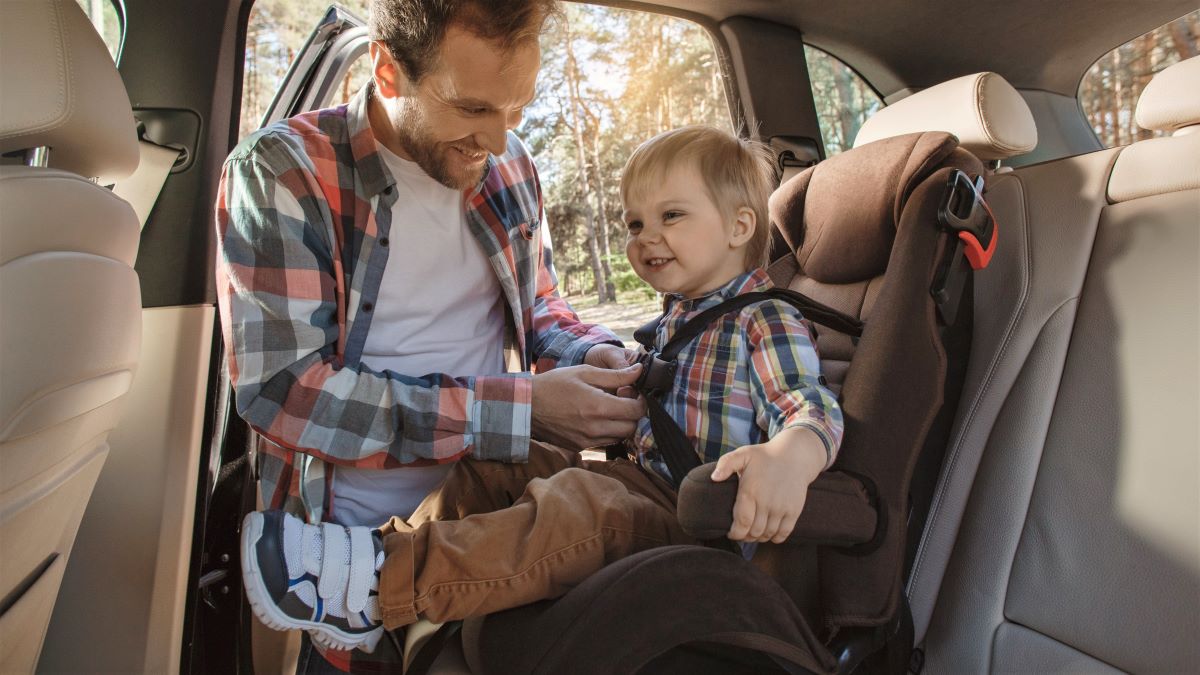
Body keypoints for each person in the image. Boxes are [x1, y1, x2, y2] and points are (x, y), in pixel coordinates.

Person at [240, 125, 844, 658]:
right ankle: (384, 556)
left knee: (578, 504)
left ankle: (382, 584)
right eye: (635, 222)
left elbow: (809, 404)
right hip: (642, 485)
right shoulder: (679, 319)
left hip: (697, 522)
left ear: (740, 225)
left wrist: (790, 455)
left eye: (672, 216)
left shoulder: (763, 320)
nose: (644, 238)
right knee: (499, 458)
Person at [216, 0, 646, 670]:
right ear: (388, 70)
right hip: (342, 574)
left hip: (497, 535)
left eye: (518, 108)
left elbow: (540, 309)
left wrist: (586, 351)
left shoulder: (510, 166)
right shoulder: (282, 173)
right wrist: (520, 409)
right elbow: (286, 392)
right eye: (472, 109)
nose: (500, 140)